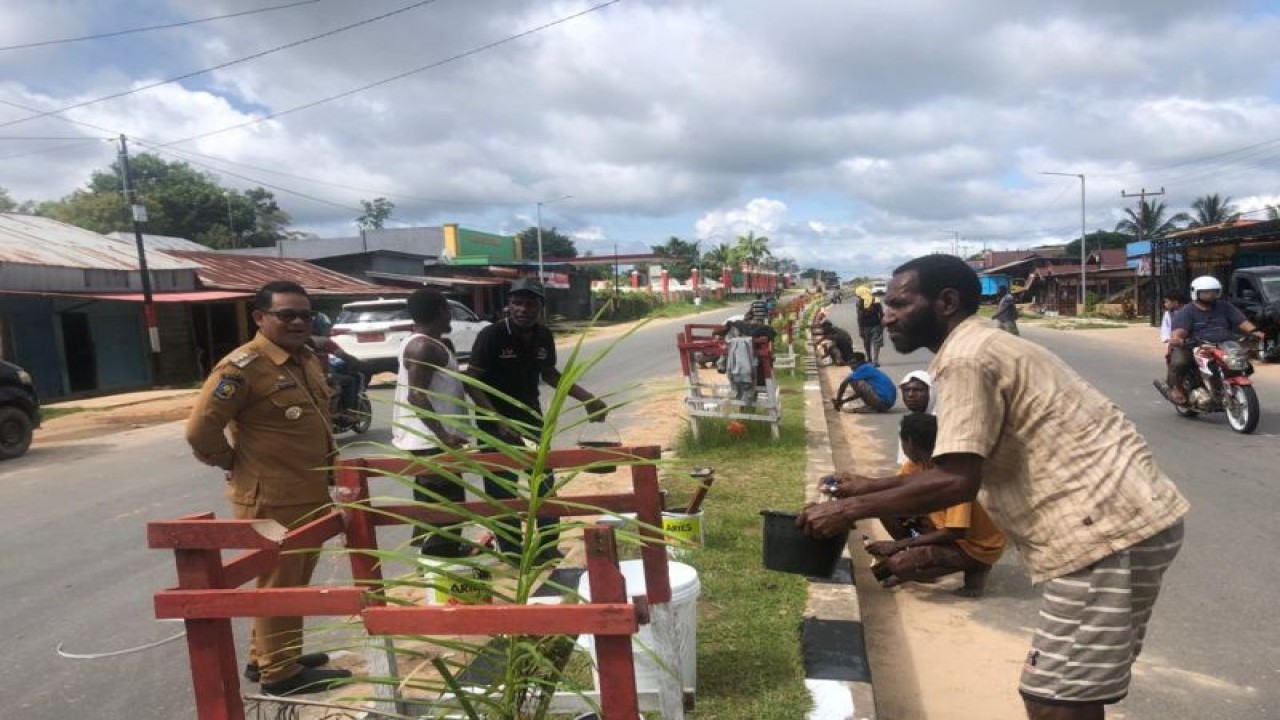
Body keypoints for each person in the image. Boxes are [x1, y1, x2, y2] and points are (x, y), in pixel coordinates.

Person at [798, 254, 1189, 719]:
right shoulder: (980, 345)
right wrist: (869, 487)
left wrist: (848, 509)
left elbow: (955, 482)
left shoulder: (965, 358)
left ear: (946, 302)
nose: (887, 314)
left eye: (900, 303)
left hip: (1105, 532)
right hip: (1124, 521)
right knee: (1068, 692)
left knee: (1053, 698)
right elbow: (964, 467)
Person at [185, 280, 352, 696]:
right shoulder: (243, 367)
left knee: (291, 580)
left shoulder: (304, 359)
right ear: (260, 318)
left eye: (305, 314)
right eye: (287, 314)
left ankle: (270, 656)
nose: (298, 321)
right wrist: (232, 463)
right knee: (280, 583)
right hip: (272, 498)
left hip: (308, 491)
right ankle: (281, 674)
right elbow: (199, 431)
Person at [465, 278, 609, 561]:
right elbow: (472, 380)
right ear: (508, 306)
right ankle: (510, 551)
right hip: (494, 425)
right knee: (501, 488)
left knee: (543, 481)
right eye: (517, 303)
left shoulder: (544, 335)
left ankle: (546, 546)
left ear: (540, 307)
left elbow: (550, 374)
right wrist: (496, 420)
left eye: (530, 304)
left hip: (531, 418)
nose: (522, 309)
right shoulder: (491, 335)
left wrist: (588, 399)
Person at [393, 288, 516, 557]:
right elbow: (417, 396)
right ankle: (440, 559)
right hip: (430, 442)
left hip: (437, 440)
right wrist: (443, 435)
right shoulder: (422, 347)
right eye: (448, 309)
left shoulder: (438, 344)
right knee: (446, 506)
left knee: (441, 502)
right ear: (442, 310)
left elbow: (464, 384)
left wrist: (496, 419)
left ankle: (436, 551)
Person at [868, 413, 1006, 597]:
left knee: (897, 565)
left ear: (908, 442)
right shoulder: (913, 466)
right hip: (941, 528)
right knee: (885, 507)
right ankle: (921, 563)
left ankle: (977, 565)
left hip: (973, 544)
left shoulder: (955, 474)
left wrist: (898, 545)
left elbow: (955, 532)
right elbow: (893, 496)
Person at [1166, 275, 1265, 405]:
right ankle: (1176, 388)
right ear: (1196, 293)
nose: (1210, 295)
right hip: (1196, 345)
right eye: (1206, 292)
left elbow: (1242, 321)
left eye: (1213, 291)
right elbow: (1178, 332)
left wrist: (1255, 332)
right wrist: (1179, 339)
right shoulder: (1187, 311)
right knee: (1180, 362)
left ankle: (1222, 385)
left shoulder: (1225, 307)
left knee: (1242, 363)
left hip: (1224, 344)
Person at [308, 312, 364, 421]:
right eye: (327, 327)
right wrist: (360, 364)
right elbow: (343, 355)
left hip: (309, 376)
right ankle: (349, 412)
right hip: (322, 376)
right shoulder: (324, 341)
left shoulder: (301, 340)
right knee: (351, 381)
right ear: (320, 327)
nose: (329, 330)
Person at [895, 370, 935, 464]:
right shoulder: (908, 423)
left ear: (931, 392)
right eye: (906, 390)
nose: (910, 395)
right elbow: (906, 464)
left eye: (918, 390)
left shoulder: (941, 420)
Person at [855, 287, 885, 366]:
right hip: (876, 324)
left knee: (867, 343)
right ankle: (875, 360)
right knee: (876, 343)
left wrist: (860, 329)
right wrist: (882, 324)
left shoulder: (859, 302)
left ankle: (869, 358)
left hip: (865, 326)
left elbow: (859, 317)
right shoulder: (876, 300)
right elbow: (881, 314)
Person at [1159, 289, 1188, 354]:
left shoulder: (1189, 311)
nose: (1165, 304)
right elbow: (1165, 329)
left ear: (1175, 302)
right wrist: (1167, 339)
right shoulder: (1168, 314)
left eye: (1166, 302)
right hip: (1175, 343)